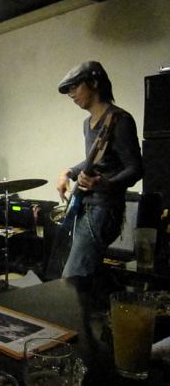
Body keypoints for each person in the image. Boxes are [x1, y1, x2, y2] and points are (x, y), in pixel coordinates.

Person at [56, 61, 142, 278]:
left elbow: (136, 168)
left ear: (94, 83)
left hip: (104, 209)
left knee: (72, 278)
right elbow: (94, 161)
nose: (71, 94)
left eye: (75, 87)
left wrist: (105, 184)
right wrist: (68, 172)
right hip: (85, 205)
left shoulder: (120, 119)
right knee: (86, 275)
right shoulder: (88, 123)